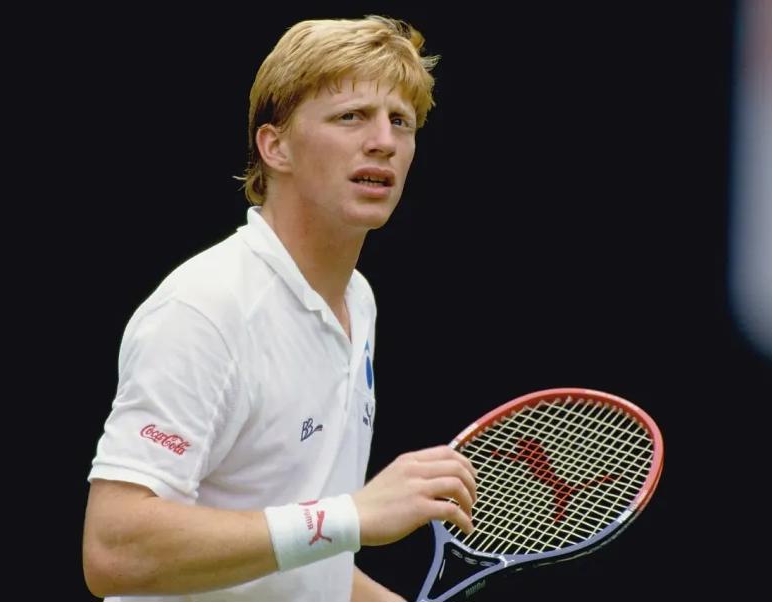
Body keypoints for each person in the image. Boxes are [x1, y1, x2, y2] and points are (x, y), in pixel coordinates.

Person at [82, 15, 478, 602]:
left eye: (401, 121)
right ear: (276, 147)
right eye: (351, 117)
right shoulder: (206, 309)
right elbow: (115, 549)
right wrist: (349, 517)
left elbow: (295, 554)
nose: (384, 141)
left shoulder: (357, 302)